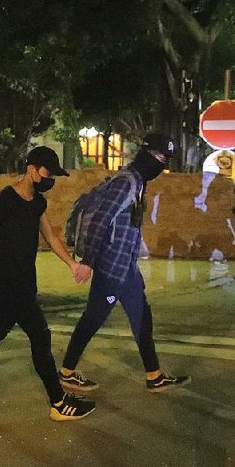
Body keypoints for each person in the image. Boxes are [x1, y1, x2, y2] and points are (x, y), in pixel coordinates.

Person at [0, 146, 96, 421]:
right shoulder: (4, 199)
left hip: (24, 280)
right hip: (8, 281)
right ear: (32, 169)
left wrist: (73, 265)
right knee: (40, 335)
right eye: (48, 173)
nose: (50, 179)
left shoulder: (38, 202)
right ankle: (59, 402)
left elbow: (50, 236)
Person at [59, 134, 191, 393]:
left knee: (142, 316)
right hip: (111, 267)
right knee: (94, 318)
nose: (161, 164)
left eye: (165, 159)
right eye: (159, 157)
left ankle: (154, 375)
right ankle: (66, 372)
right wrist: (87, 262)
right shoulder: (125, 183)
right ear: (145, 153)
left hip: (125, 268)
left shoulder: (138, 182)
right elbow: (100, 221)